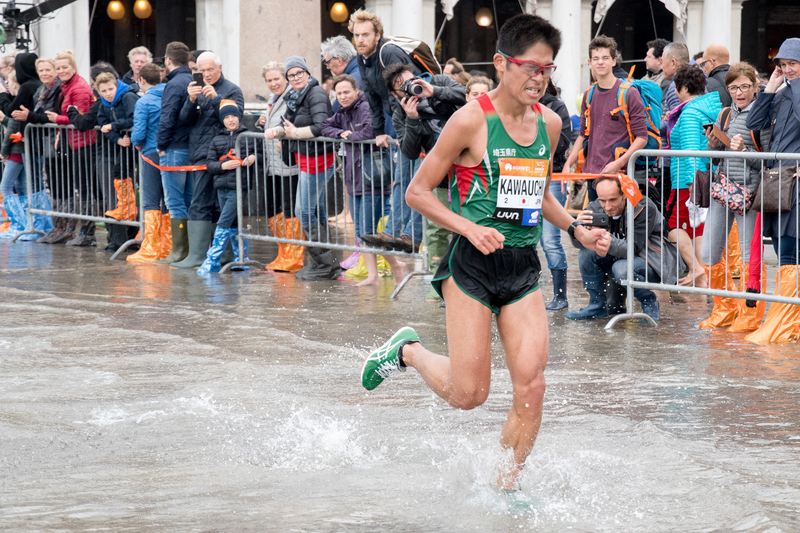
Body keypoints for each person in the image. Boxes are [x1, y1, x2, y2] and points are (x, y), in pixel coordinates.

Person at [360, 14, 608, 491]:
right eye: (530, 67)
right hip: (471, 267)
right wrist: (469, 228)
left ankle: (504, 486)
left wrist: (576, 228)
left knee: (532, 386)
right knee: (470, 394)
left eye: (548, 69)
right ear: (500, 63)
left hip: (521, 268)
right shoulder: (470, 120)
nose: (540, 78)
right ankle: (406, 351)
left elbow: (540, 193)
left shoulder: (551, 124)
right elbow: (418, 192)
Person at [700, 61, 771, 332]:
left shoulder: (762, 116)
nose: (739, 92)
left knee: (748, 257)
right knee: (709, 253)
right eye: (733, 87)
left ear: (755, 86)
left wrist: (745, 153)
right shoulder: (724, 115)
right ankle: (723, 309)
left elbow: (767, 162)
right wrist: (713, 143)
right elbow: (716, 158)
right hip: (722, 190)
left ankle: (750, 315)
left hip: (750, 195)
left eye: (744, 86)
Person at [350, 9, 424, 256]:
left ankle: (411, 235)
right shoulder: (362, 59)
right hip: (397, 123)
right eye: (356, 35)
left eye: (365, 34)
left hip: (417, 121)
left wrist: (402, 126)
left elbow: (407, 91)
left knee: (415, 180)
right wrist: (379, 130)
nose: (360, 40)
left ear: (377, 35)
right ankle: (393, 232)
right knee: (401, 179)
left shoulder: (388, 52)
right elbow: (371, 96)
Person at [320, 74, 404, 287]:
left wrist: (351, 136)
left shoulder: (365, 107)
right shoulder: (341, 110)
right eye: (339, 93)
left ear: (356, 91)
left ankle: (395, 266)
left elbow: (371, 130)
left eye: (346, 92)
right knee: (361, 232)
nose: (343, 96)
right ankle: (373, 275)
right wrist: (342, 133)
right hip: (353, 178)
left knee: (368, 231)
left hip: (371, 177)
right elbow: (325, 128)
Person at [564, 176, 683, 321]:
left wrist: (602, 237)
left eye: (612, 200)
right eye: (602, 200)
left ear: (624, 194)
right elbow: (580, 245)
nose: (607, 206)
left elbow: (632, 249)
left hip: (652, 261)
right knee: (586, 253)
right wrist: (578, 231)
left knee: (621, 268)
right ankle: (596, 305)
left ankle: (649, 302)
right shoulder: (595, 207)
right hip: (618, 261)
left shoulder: (644, 207)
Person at [745, 37, 800, 343]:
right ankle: (789, 316)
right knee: (781, 246)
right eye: (783, 64)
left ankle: (789, 319)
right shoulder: (781, 93)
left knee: (791, 248)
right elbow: (754, 122)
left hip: (795, 182)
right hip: (777, 181)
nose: (787, 70)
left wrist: (794, 84)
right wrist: (769, 89)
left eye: (792, 64)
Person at [264, 55, 339, 280]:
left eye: (299, 73)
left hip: (317, 160)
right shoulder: (297, 95)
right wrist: (275, 132)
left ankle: (324, 264)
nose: (295, 77)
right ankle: (326, 263)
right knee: (315, 211)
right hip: (307, 160)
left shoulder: (315, 93)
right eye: (291, 74)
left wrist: (292, 134)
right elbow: (287, 121)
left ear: (307, 73)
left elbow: (320, 127)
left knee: (303, 212)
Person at [171, 51, 244, 269]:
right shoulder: (196, 88)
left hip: (222, 155)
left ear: (219, 68)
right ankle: (200, 254)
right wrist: (191, 100)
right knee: (201, 202)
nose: (206, 74)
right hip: (200, 154)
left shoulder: (232, 89)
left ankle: (219, 255)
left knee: (215, 204)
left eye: (209, 69)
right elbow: (185, 119)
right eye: (201, 71)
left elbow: (234, 118)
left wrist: (215, 99)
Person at [564, 36, 648, 202]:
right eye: (595, 58)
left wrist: (619, 163)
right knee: (596, 225)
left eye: (605, 58)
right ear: (590, 62)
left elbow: (642, 137)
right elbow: (582, 135)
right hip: (592, 175)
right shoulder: (588, 96)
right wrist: (569, 164)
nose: (600, 62)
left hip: (618, 175)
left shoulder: (629, 93)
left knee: (619, 226)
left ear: (613, 61)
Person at [665, 65, 721, 288]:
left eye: (676, 88)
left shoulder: (689, 112)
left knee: (672, 225)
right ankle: (704, 276)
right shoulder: (711, 107)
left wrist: (691, 184)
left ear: (684, 88)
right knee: (697, 227)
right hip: (704, 176)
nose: (675, 93)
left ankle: (697, 269)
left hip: (687, 179)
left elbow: (689, 151)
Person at [197, 100, 258, 274]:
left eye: (234, 116)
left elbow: (259, 154)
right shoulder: (217, 139)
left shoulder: (247, 136)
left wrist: (253, 158)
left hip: (239, 187)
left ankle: (212, 260)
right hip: (221, 187)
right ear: (222, 120)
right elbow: (210, 164)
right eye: (227, 117)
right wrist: (223, 166)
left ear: (239, 117)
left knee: (223, 222)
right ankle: (242, 259)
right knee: (232, 223)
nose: (231, 120)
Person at [45, 50, 97, 247]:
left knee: (85, 188)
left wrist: (57, 120)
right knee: (81, 187)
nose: (61, 71)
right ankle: (82, 231)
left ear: (74, 68)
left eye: (65, 67)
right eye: (58, 68)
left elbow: (81, 117)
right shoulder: (68, 86)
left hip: (85, 142)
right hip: (75, 141)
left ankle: (87, 232)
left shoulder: (79, 88)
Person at [10, 57, 61, 242]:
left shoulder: (53, 89)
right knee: (32, 183)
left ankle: (41, 224)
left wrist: (28, 115)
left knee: (36, 182)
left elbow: (47, 116)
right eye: (42, 71)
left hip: (44, 142)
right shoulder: (41, 88)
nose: (44, 74)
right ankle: (39, 223)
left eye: (48, 70)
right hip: (36, 142)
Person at [0, 52, 49, 241]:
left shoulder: (28, 86)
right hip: (29, 143)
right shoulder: (37, 85)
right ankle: (35, 224)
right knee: (30, 185)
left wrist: (2, 95)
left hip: (25, 144)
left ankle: (23, 224)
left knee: (24, 186)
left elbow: (12, 112)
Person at [155, 41, 194, 264]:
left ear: (168, 60)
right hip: (190, 147)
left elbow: (167, 117)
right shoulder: (190, 80)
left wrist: (161, 144)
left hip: (174, 148)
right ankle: (187, 251)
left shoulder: (174, 84)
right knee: (187, 200)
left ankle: (179, 251)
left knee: (175, 201)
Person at [128, 63, 171, 263]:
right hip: (172, 153)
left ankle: (151, 247)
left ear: (142, 80)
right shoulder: (171, 96)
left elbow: (138, 133)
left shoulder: (144, 101)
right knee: (170, 201)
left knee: (152, 200)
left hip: (151, 154)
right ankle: (168, 247)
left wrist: (137, 145)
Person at [95, 71, 141, 252]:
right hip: (121, 147)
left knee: (127, 182)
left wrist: (115, 126)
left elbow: (133, 119)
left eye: (110, 89)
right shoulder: (104, 104)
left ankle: (131, 230)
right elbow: (102, 123)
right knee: (119, 182)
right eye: (103, 91)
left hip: (134, 148)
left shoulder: (128, 96)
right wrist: (117, 138)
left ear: (117, 85)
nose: (108, 93)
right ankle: (120, 235)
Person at [539, 79, 572, 311]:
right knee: (526, 241)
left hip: (552, 177)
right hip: (522, 176)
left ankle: (560, 296)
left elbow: (562, 143)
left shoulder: (556, 106)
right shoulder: (513, 105)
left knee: (550, 240)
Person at [320, 35, 363, 111]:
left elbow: (337, 111)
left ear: (339, 60)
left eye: (328, 63)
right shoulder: (362, 68)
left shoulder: (352, 80)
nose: (328, 67)